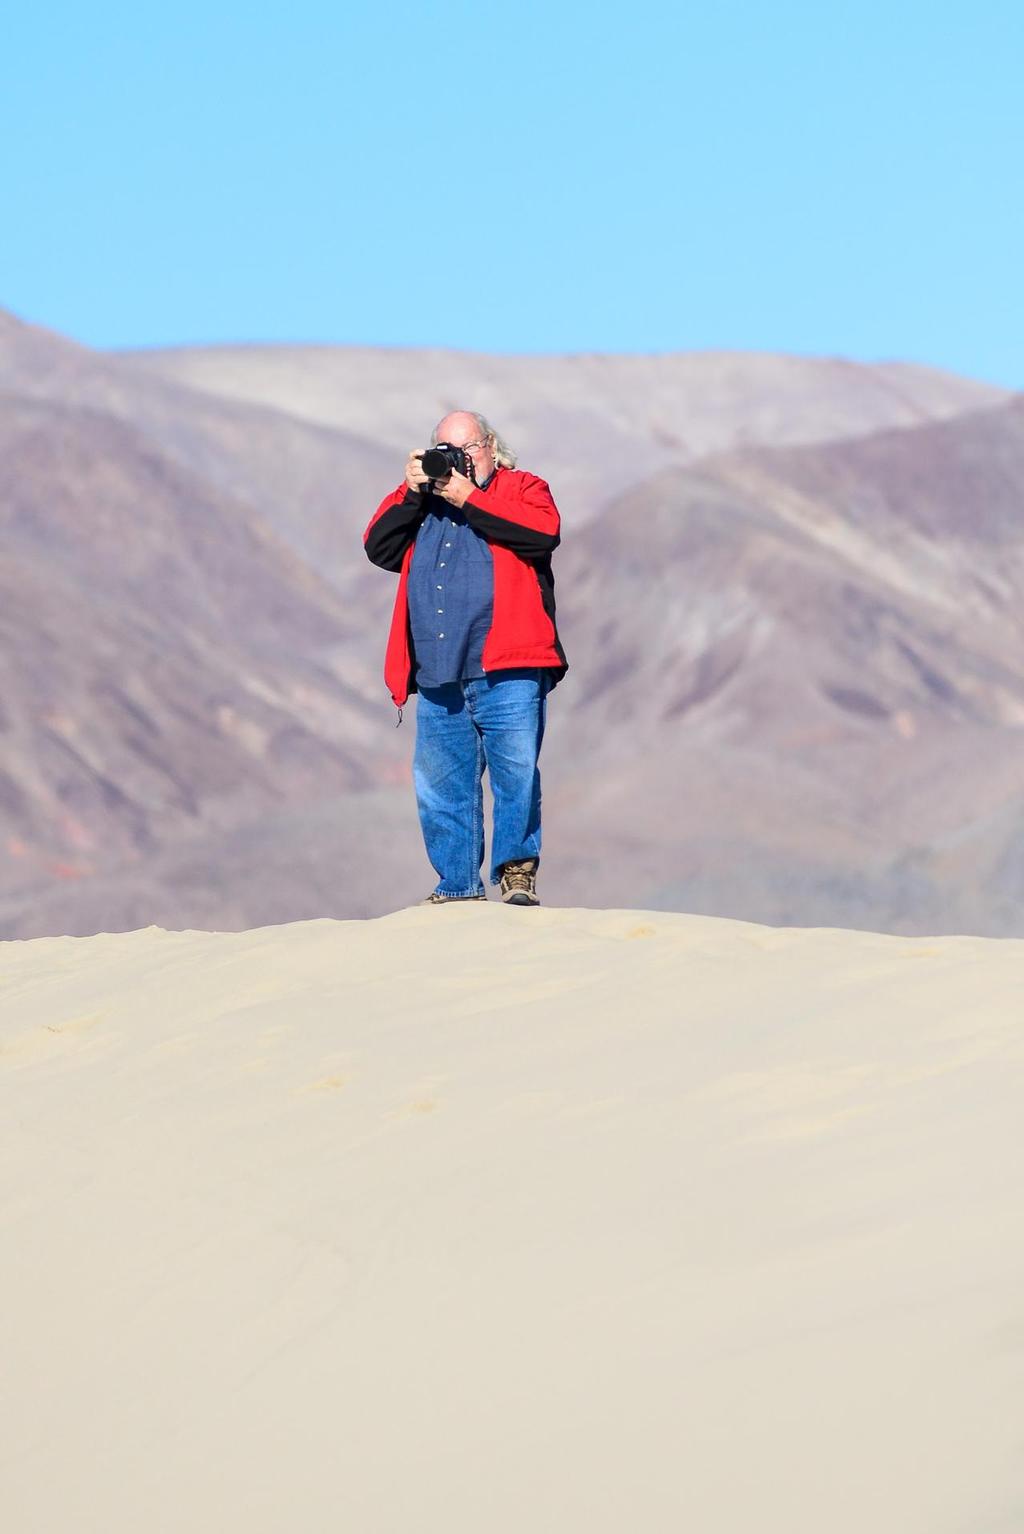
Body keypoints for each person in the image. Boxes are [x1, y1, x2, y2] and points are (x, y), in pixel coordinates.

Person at [364, 411, 567, 906]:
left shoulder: (523, 488)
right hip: (439, 669)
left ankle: (517, 872)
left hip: (510, 662)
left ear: (491, 447)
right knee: (441, 784)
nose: (457, 461)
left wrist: (470, 499)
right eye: (445, 451)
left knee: (515, 773)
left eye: (467, 449)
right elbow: (378, 547)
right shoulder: (422, 505)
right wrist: (412, 492)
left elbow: (542, 534)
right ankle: (456, 884)